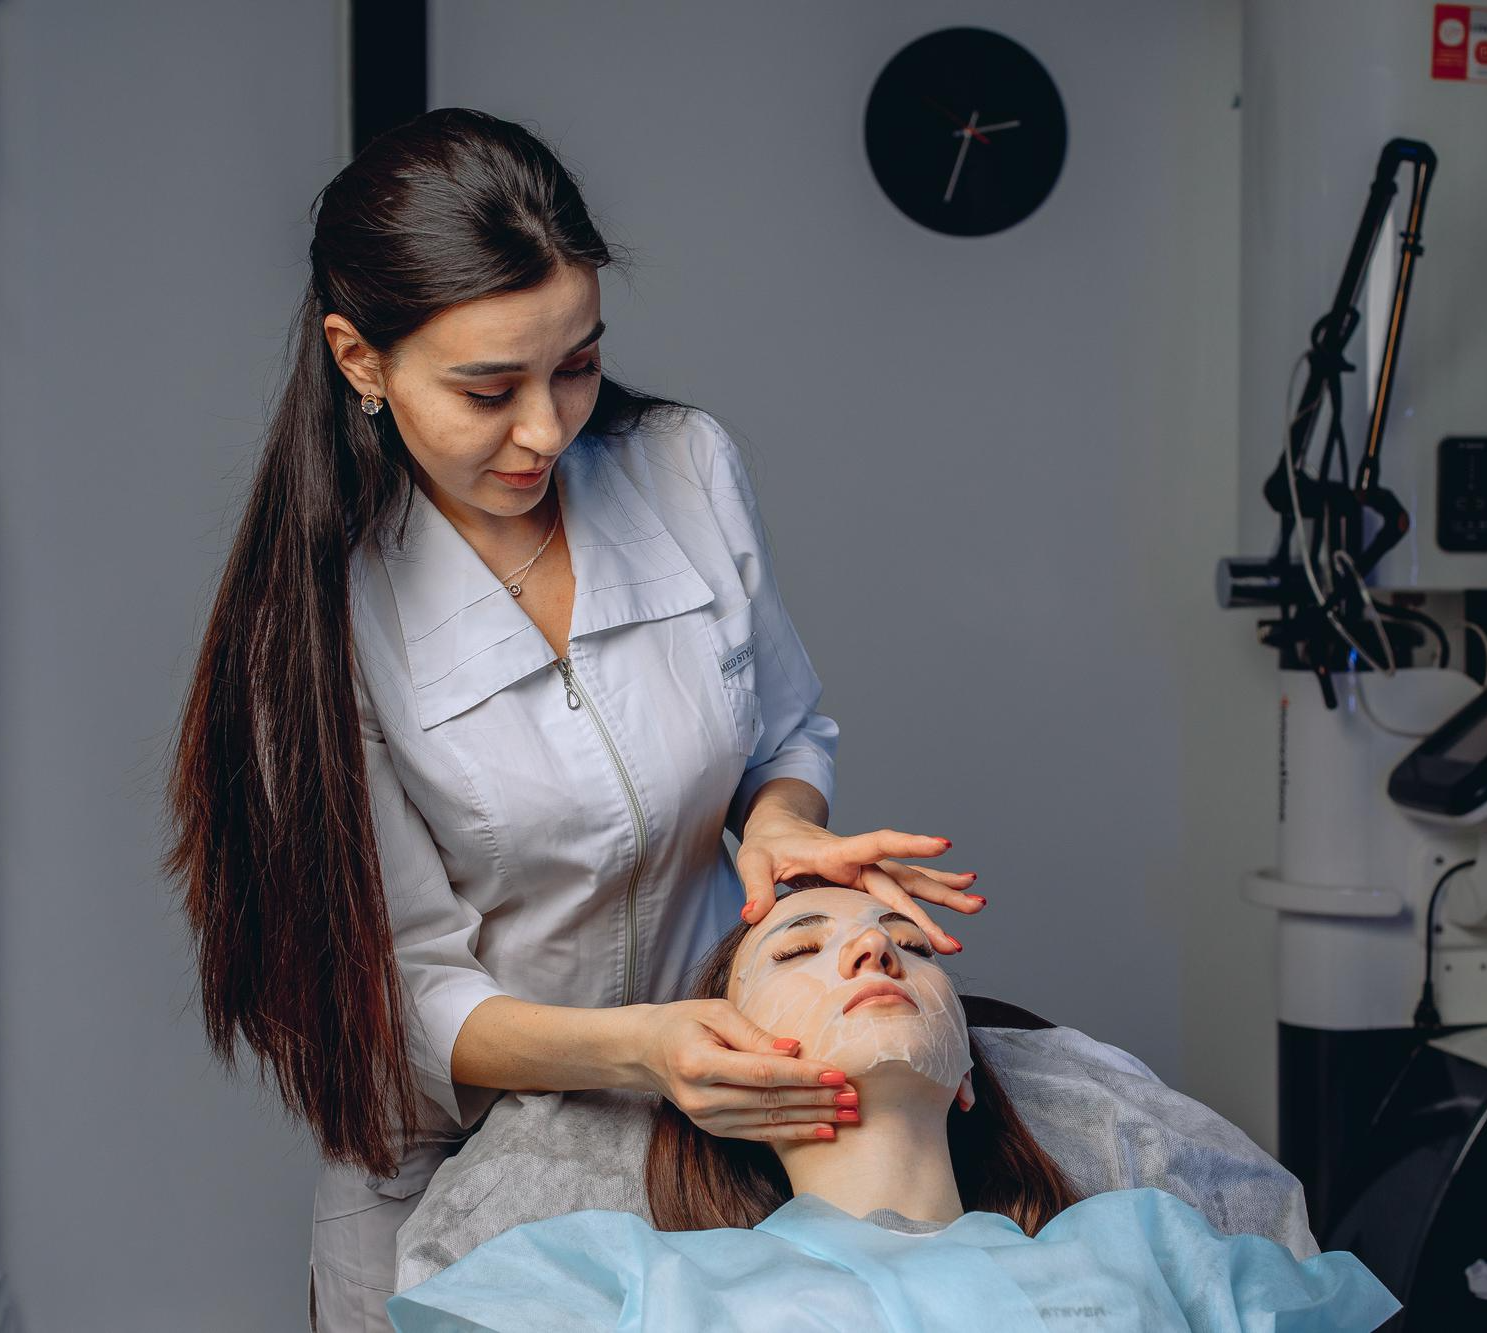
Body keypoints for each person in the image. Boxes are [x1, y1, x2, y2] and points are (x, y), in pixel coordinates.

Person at [158, 108, 985, 1332]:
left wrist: (778, 828)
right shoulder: (322, 618)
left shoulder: (681, 467)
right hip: (451, 1157)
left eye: (578, 364)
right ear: (358, 357)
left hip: (702, 1133)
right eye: (489, 389)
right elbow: (405, 995)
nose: (547, 429)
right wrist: (638, 1049)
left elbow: (784, 734)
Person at [386, 881, 1402, 1331]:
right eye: (796, 950)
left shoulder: (1151, 1249)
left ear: (965, 1073)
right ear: (714, 1064)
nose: (873, 948)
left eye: (907, 943)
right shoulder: (624, 1283)